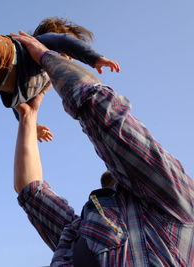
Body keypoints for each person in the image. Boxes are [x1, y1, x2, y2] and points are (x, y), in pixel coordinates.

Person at [12, 31, 194, 266]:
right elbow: (32, 193)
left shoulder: (176, 204)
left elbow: (100, 108)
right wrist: (28, 115)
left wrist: (45, 56)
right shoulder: (85, 231)